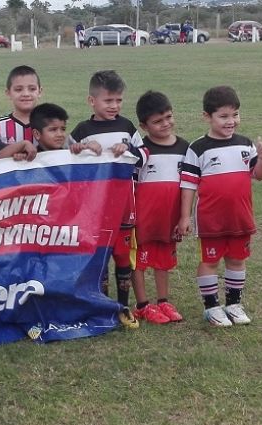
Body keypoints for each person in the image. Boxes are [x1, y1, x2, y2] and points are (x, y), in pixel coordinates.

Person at [178, 86, 262, 327]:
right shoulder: (198, 149)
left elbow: (259, 176)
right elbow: (188, 185)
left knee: (237, 260)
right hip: (211, 219)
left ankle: (234, 304)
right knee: (209, 261)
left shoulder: (245, 144)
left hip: (240, 217)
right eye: (224, 116)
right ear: (207, 117)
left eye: (235, 115)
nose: (231, 121)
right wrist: (184, 217)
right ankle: (212, 308)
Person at [69, 70, 147, 330]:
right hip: (96, 207)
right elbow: (66, 161)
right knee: (99, 257)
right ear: (92, 101)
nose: (114, 106)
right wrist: (78, 150)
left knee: (123, 255)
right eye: (108, 101)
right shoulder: (82, 130)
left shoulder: (126, 127)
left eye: (119, 101)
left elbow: (146, 153)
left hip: (125, 204)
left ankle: (123, 306)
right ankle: (100, 306)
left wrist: (131, 150)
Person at [130, 91, 188, 325]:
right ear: (144, 126)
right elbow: (131, 183)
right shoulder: (141, 151)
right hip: (143, 218)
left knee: (164, 257)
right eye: (157, 121)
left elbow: (189, 184)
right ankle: (143, 304)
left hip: (169, 217)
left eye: (168, 117)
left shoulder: (185, 148)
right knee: (140, 260)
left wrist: (185, 216)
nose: (165, 124)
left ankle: (163, 300)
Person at [0, 65, 43, 145]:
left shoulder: (49, 123)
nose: (26, 94)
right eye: (18, 90)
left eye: (32, 89)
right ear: (8, 93)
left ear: (40, 92)